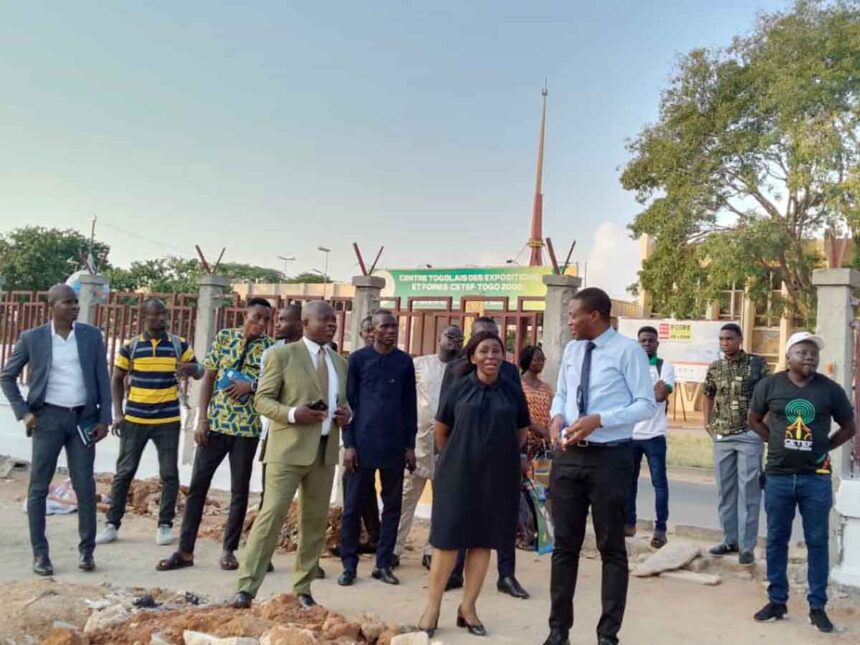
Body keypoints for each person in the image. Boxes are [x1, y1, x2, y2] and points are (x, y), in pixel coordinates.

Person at [542, 287, 656, 645]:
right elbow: (561, 392)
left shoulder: (628, 351)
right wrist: (556, 416)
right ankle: (558, 631)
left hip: (610, 458)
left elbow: (645, 405)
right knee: (564, 547)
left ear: (595, 316)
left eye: (574, 315)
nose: (569, 321)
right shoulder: (574, 350)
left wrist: (600, 420)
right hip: (569, 458)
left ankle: (608, 635)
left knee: (611, 548)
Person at [231, 301, 350, 609]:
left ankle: (304, 587)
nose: (331, 325)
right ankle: (247, 587)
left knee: (314, 522)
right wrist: (294, 414)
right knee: (270, 517)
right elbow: (262, 401)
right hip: (286, 452)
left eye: (333, 320)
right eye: (324, 319)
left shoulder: (340, 362)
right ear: (305, 323)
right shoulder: (282, 356)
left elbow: (344, 402)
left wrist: (345, 413)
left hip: (324, 453)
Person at [417, 331, 530, 638]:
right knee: (447, 540)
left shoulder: (511, 390)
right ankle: (433, 607)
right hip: (458, 474)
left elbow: (521, 432)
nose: (491, 356)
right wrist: (462, 453)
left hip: (498, 477)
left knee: (484, 540)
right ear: (472, 357)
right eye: (484, 351)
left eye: (497, 351)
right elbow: (441, 432)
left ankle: (468, 608)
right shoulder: (457, 388)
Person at [0, 284, 111, 575]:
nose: (74, 306)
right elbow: (7, 377)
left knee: (85, 487)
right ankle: (40, 555)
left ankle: (87, 552)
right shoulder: (32, 338)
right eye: (67, 302)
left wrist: (105, 419)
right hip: (47, 420)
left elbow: (103, 378)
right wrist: (24, 413)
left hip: (83, 421)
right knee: (38, 488)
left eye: (76, 302)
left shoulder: (90, 336)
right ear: (52, 306)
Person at [748, 331, 855, 633]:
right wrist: (775, 441)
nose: (809, 357)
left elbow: (849, 427)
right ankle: (777, 600)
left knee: (817, 542)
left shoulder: (830, 390)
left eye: (813, 353)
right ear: (788, 357)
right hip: (779, 477)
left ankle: (817, 606)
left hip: (816, 478)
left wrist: (824, 447)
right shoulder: (769, 385)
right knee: (777, 539)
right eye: (802, 352)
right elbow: (754, 419)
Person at [157, 298, 273, 572]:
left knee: (239, 492)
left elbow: (273, 384)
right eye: (256, 317)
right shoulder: (224, 338)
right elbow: (208, 376)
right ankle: (185, 551)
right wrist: (202, 418)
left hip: (247, 429)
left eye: (266, 319)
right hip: (215, 426)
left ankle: (229, 550)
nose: (261, 324)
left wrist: (251, 386)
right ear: (245, 315)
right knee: (198, 488)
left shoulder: (270, 350)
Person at [96, 298, 204, 547]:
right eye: (154, 315)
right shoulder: (131, 347)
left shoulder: (178, 345)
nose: (160, 319)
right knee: (124, 472)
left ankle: (165, 525)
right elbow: (117, 378)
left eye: (163, 315)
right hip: (134, 418)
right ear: (143, 317)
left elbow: (199, 370)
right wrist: (118, 414)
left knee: (169, 473)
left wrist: (191, 369)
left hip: (167, 420)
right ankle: (112, 524)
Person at [439, 316, 530, 599]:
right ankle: (455, 573)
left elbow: (520, 422)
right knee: (461, 518)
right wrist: (452, 456)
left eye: (495, 341)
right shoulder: (454, 372)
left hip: (500, 463)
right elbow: (444, 421)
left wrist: (516, 454)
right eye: (482, 340)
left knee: (501, 520)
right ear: (471, 345)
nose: (490, 351)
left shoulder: (510, 373)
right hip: (462, 462)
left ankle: (506, 575)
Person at [338, 309, 417, 586]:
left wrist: (410, 445)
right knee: (352, 508)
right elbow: (347, 405)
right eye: (385, 327)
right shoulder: (358, 360)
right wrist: (348, 444)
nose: (391, 331)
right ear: (372, 331)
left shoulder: (404, 362)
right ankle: (349, 565)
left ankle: (383, 564)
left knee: (392, 507)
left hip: (394, 446)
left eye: (394, 326)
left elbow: (409, 406)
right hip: (362, 444)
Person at [393, 325, 464, 570]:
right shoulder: (419, 365)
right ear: (439, 338)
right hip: (418, 443)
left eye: (459, 338)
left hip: (448, 446)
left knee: (441, 501)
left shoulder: (464, 370)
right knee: (406, 496)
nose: (454, 341)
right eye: (450, 336)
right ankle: (394, 548)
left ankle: (431, 550)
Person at [703, 323, 769, 565]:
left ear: (740, 339)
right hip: (722, 435)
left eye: (729, 338)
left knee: (749, 490)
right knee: (725, 490)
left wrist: (763, 428)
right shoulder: (715, 367)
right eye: (721, 339)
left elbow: (768, 396)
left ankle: (747, 546)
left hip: (749, 435)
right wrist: (707, 422)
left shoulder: (757, 364)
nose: (724, 343)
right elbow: (708, 393)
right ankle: (730, 540)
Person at [625, 326, 675, 549]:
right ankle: (628, 523)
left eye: (651, 341)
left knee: (659, 484)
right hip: (631, 434)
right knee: (628, 482)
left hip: (655, 435)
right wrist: (648, 393)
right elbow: (624, 397)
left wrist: (639, 394)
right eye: (643, 340)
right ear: (638, 342)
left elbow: (661, 394)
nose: (647, 344)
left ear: (657, 343)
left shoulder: (665, 366)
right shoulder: (630, 366)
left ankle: (660, 529)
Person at [519, 345, 553, 461]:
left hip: (543, 443)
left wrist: (547, 434)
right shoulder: (517, 385)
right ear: (527, 359)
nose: (541, 362)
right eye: (537, 359)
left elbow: (551, 412)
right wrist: (540, 430)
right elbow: (517, 413)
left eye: (543, 359)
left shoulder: (546, 388)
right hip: (524, 440)